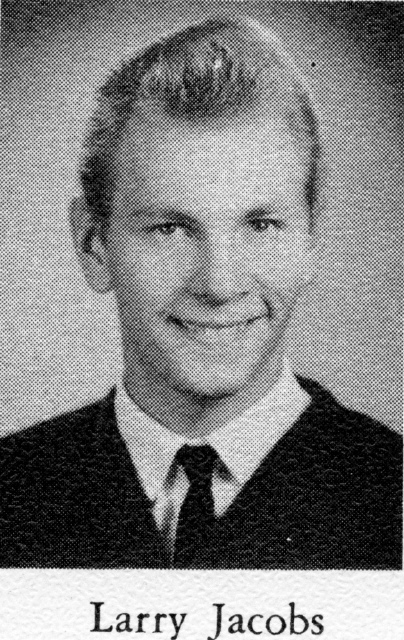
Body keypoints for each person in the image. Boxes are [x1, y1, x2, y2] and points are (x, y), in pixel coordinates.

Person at [0, 15, 401, 570]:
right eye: (170, 229)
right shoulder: (11, 493)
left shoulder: (390, 496)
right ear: (94, 245)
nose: (218, 284)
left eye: (261, 226)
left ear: (311, 240)